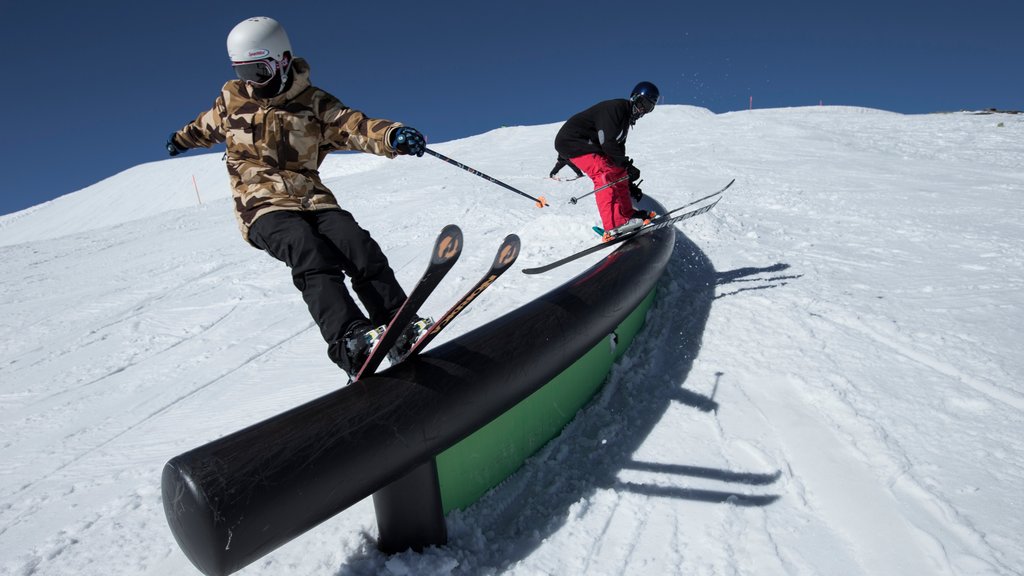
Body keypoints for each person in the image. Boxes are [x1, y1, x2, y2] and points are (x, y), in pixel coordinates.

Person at [165, 16, 430, 377]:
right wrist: (181, 140)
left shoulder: (315, 104)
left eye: (258, 71)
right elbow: (203, 126)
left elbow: (354, 126)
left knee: (357, 245)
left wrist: (392, 135)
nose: (251, 82)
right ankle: (349, 340)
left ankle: (398, 325)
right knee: (308, 250)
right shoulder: (232, 100)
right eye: (243, 71)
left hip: (312, 197)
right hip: (261, 204)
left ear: (283, 61)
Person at [553, 81, 659, 240]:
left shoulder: (625, 123)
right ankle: (614, 224)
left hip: (590, 144)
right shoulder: (616, 108)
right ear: (634, 98)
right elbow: (607, 142)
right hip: (571, 141)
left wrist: (627, 179)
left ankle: (627, 215)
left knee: (619, 171)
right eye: (642, 103)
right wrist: (627, 166)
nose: (643, 110)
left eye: (649, 107)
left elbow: (617, 157)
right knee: (603, 172)